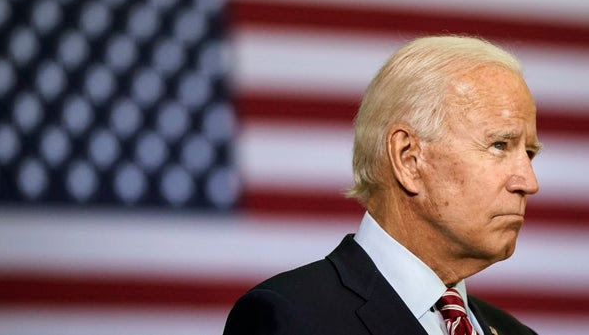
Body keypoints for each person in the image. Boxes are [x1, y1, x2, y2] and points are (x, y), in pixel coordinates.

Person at [223, 36, 541, 335]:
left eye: (529, 153)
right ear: (408, 159)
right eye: (500, 145)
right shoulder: (291, 319)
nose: (529, 182)